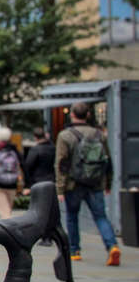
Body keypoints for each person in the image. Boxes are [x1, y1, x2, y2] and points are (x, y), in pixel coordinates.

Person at [54, 102, 120, 266]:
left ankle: (74, 251)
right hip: (95, 183)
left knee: (72, 217)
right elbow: (108, 161)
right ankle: (112, 246)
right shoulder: (99, 135)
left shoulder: (65, 135)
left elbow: (61, 163)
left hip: (73, 184)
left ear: (72, 115)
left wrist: (60, 188)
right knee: (100, 217)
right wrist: (108, 184)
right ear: (88, 115)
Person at [24, 126, 56, 246]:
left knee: (38, 211)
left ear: (35, 137)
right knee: (51, 210)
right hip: (52, 182)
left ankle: (43, 236)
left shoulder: (35, 150)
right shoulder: (54, 148)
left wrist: (27, 185)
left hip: (38, 183)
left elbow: (28, 166)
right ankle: (49, 235)